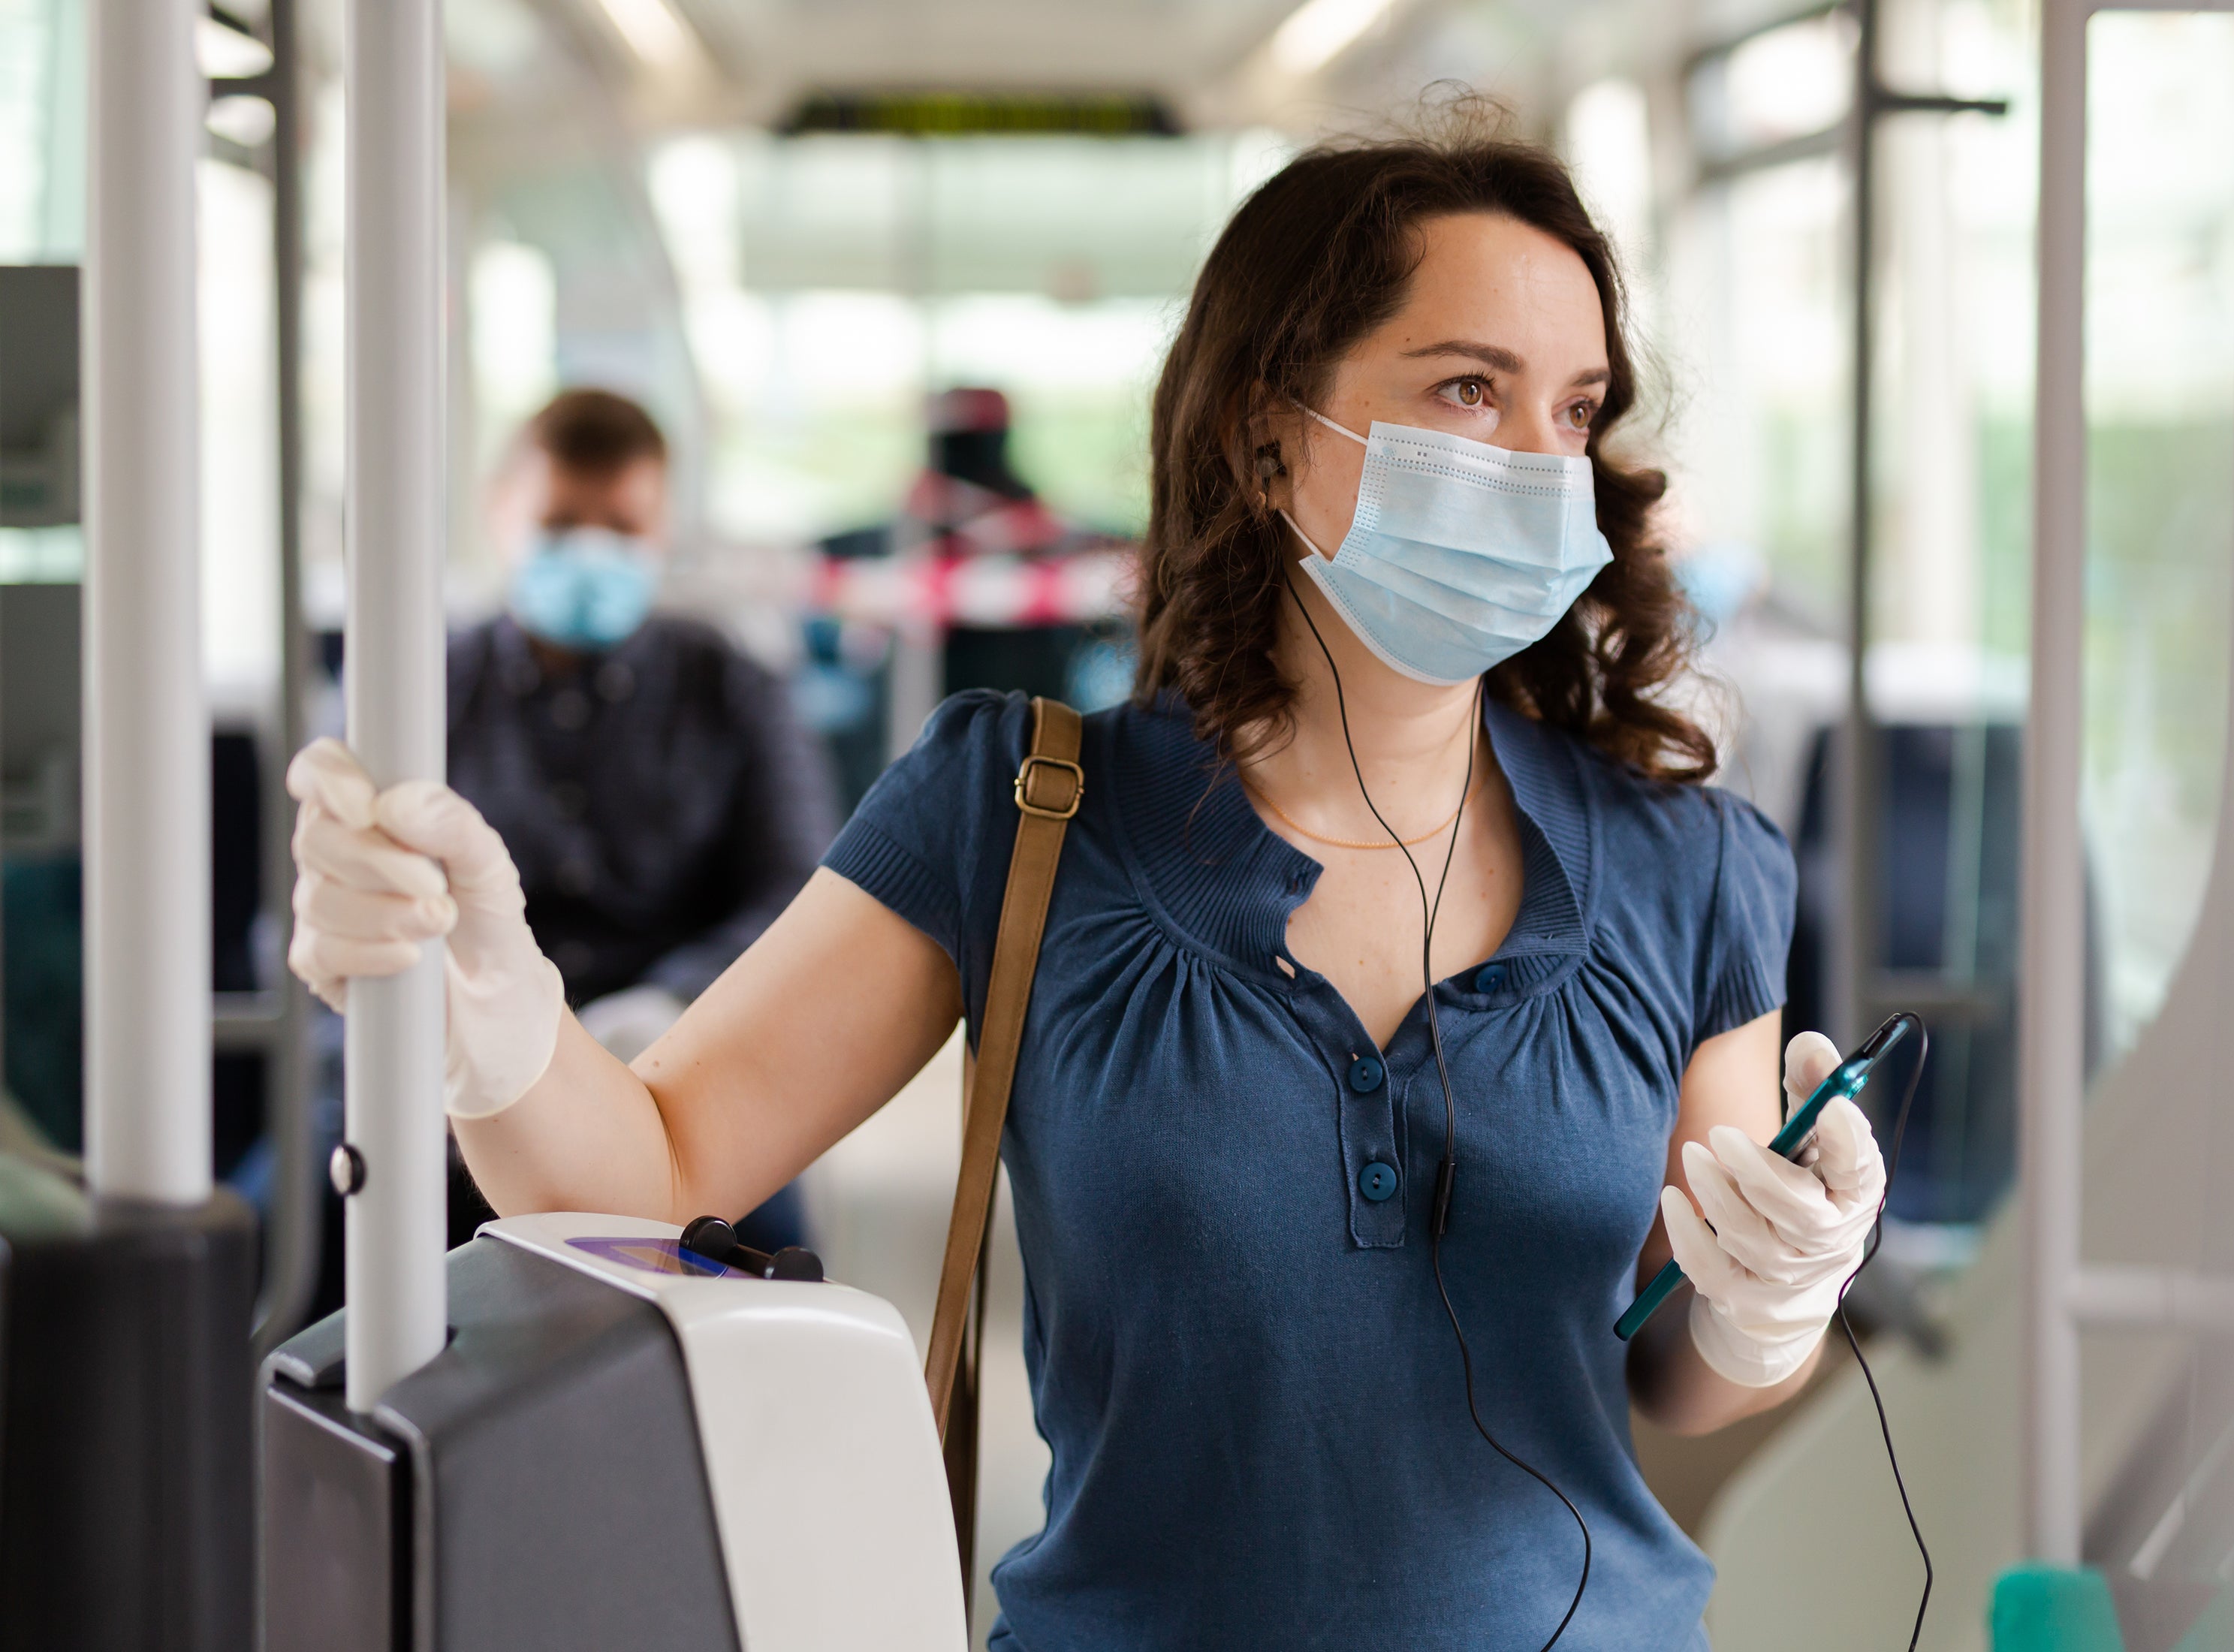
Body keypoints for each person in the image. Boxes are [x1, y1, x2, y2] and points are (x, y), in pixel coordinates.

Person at [287, 133, 1886, 1650]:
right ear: (1269, 438)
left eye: (1570, 407)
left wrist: (1768, 1307)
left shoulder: (1687, 861)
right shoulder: (1023, 806)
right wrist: (488, 1014)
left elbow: (1681, 1373)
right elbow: (652, 1163)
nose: (1538, 464)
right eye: (1467, 388)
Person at [448, 388, 837, 1244]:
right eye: (559, 523)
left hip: (678, 1086)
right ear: (498, 515)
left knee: (772, 1292)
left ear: (662, 532)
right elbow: (320, 908)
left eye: (622, 530)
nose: (592, 551)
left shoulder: (734, 691)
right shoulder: (419, 692)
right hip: (454, 1097)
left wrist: (668, 1006)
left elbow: (797, 898)